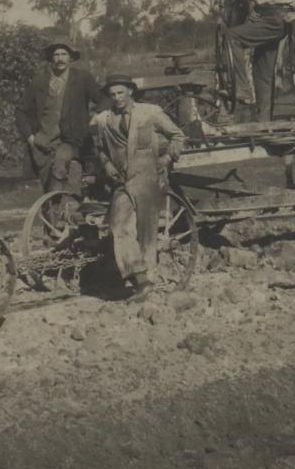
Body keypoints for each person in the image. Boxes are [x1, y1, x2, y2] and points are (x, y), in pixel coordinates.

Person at [89, 74, 186, 299]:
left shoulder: (149, 112)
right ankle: (139, 275)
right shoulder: (105, 120)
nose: (117, 98)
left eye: (121, 92)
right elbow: (100, 149)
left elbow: (177, 136)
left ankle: (147, 280)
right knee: (118, 225)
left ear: (130, 91)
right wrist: (107, 165)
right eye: (113, 94)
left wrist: (166, 160)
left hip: (148, 177)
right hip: (122, 180)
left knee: (146, 230)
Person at [15, 42, 104, 192]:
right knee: (48, 184)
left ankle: (67, 207)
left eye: (64, 54)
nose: (60, 59)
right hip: (43, 143)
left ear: (70, 58)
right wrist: (31, 138)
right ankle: (56, 211)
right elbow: (21, 111)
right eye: (56, 55)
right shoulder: (39, 82)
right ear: (50, 58)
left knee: (61, 167)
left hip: (72, 139)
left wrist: (97, 115)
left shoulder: (82, 78)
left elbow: (104, 98)